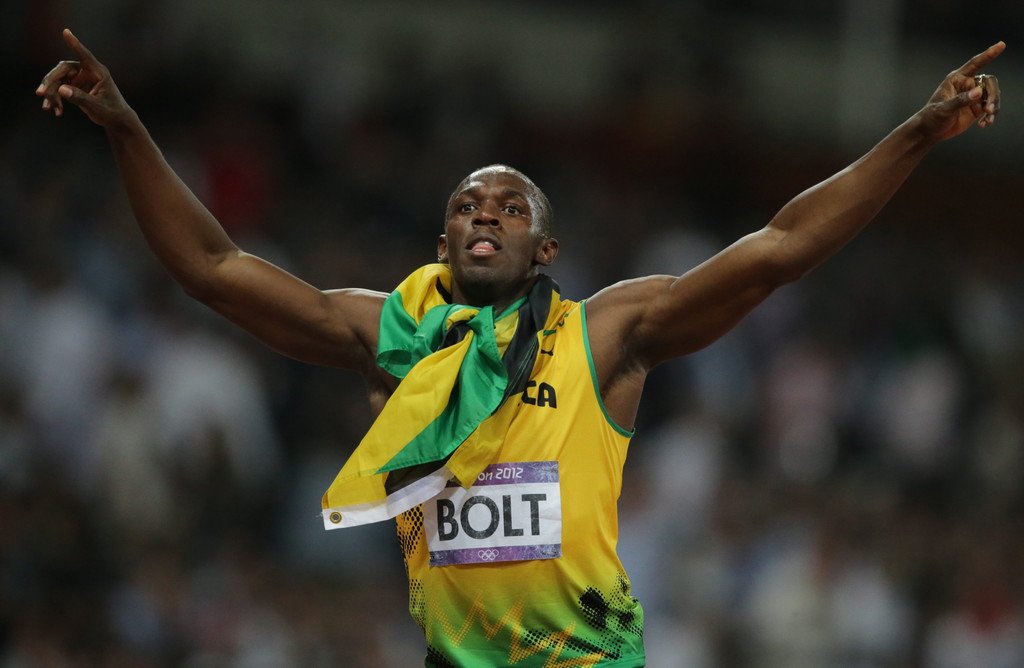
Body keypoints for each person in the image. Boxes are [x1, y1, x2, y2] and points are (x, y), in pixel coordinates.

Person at [37, 27, 1003, 667]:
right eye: (467, 204)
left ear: (547, 251)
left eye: (510, 206)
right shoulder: (392, 337)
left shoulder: (605, 335)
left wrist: (915, 136)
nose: (486, 213)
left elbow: (779, 249)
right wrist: (128, 131)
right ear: (443, 242)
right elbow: (213, 268)